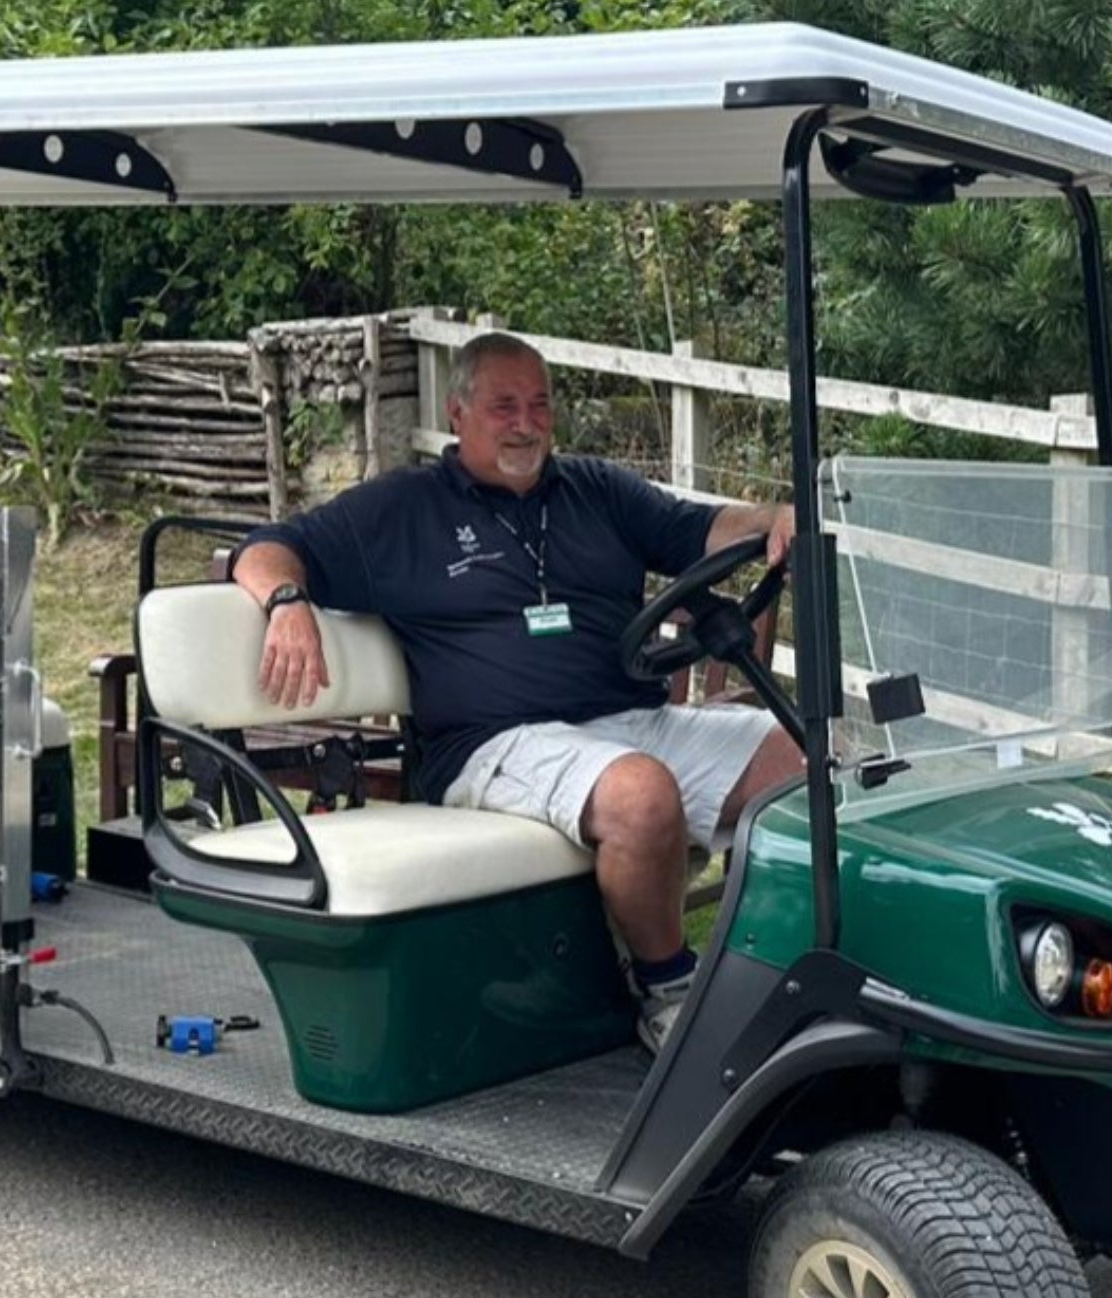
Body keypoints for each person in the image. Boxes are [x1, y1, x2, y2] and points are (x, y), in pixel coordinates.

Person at [232, 331, 801, 1052]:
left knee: (808, 765)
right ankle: (670, 990)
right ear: (459, 412)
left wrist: (770, 519)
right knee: (639, 794)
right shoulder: (403, 508)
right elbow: (268, 547)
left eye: (539, 405)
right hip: (493, 743)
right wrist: (285, 602)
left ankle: (784, 973)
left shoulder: (596, 489)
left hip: (626, 716)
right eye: (504, 406)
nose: (526, 423)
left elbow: (699, 529)